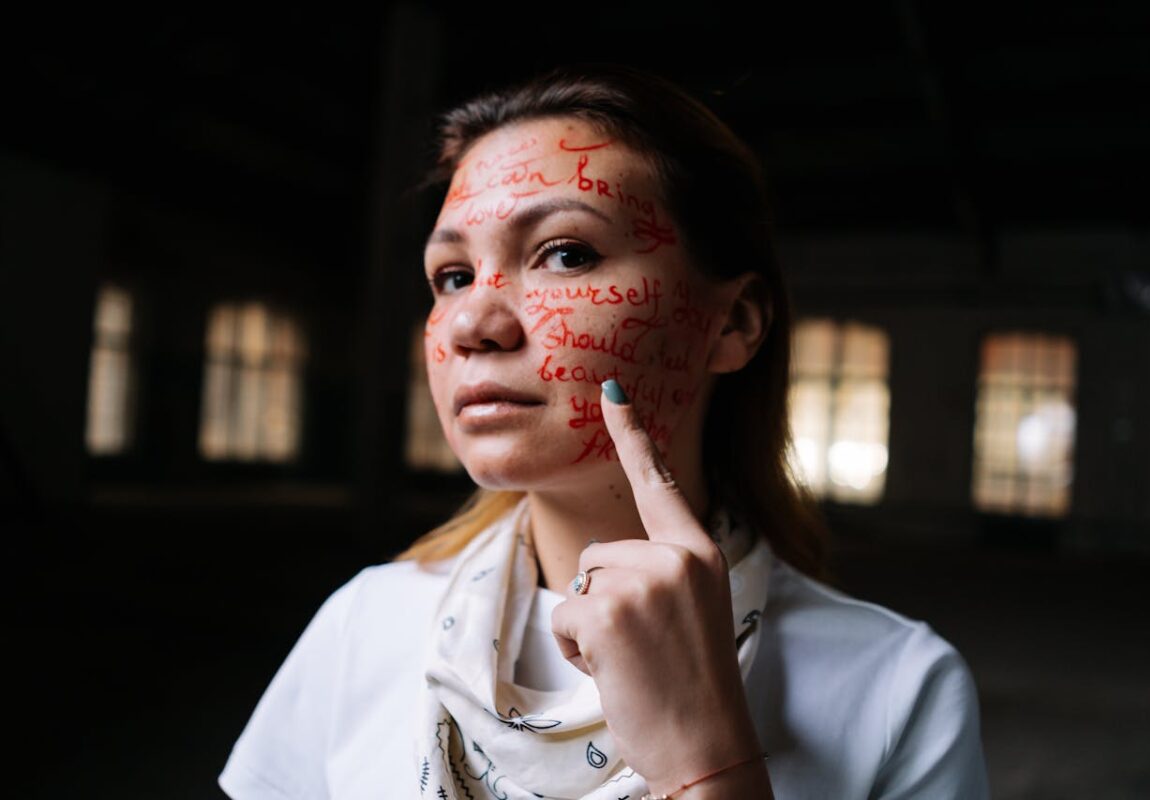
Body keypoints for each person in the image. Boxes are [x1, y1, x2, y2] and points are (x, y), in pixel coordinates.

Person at [218, 63, 989, 799]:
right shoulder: (366, 624)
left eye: (565, 254)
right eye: (452, 276)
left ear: (734, 324)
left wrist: (709, 765)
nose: (473, 323)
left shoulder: (898, 686)